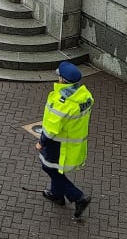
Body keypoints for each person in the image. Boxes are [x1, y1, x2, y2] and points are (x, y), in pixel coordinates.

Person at [37, 61, 93, 220]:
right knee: (56, 169)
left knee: (49, 168)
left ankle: (78, 197)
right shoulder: (85, 96)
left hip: (58, 144)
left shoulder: (62, 103)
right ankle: (57, 195)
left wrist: (41, 142)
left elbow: (51, 129)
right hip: (73, 142)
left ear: (63, 80)